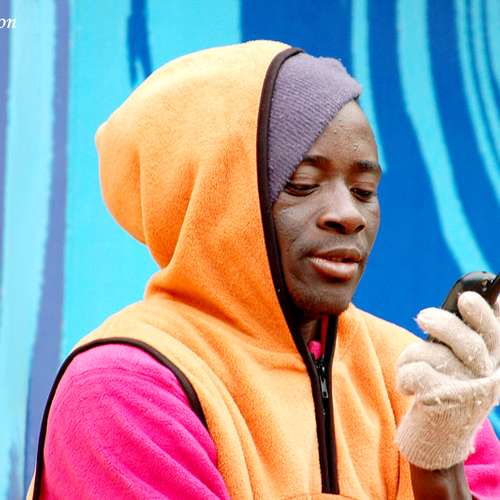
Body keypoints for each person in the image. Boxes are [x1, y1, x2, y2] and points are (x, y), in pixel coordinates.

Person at [28, 40, 500, 499]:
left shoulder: (422, 381)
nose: (348, 215)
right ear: (211, 197)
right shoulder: (122, 386)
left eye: (363, 190)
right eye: (303, 183)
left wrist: (439, 465)